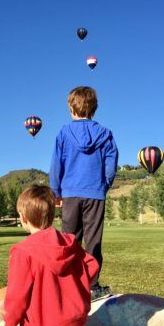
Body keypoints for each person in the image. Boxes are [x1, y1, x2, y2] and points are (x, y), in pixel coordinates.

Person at [3, 185, 99, 326]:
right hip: (70, 316)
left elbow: (17, 296)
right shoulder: (68, 242)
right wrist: (73, 286)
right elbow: (91, 265)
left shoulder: (23, 252)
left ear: (23, 218)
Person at [49, 86, 119, 301]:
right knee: (93, 241)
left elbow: (56, 165)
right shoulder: (105, 134)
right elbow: (111, 166)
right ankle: (92, 286)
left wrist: (56, 192)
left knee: (69, 240)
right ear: (94, 108)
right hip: (95, 193)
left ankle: (65, 285)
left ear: (71, 108)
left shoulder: (63, 133)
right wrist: (102, 185)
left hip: (70, 193)